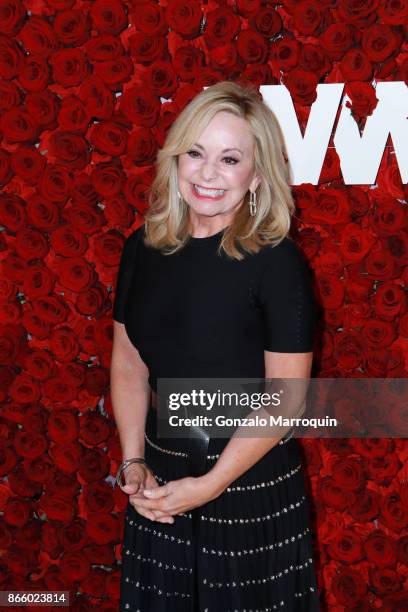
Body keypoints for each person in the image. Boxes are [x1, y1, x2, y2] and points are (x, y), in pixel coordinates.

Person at [110, 81, 320, 611]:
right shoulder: (143, 247)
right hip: (159, 481)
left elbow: (286, 399)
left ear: (256, 173)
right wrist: (133, 463)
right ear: (174, 159)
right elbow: (129, 363)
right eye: (195, 153)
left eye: (230, 159)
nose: (207, 174)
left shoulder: (277, 263)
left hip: (248, 484)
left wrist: (210, 485)